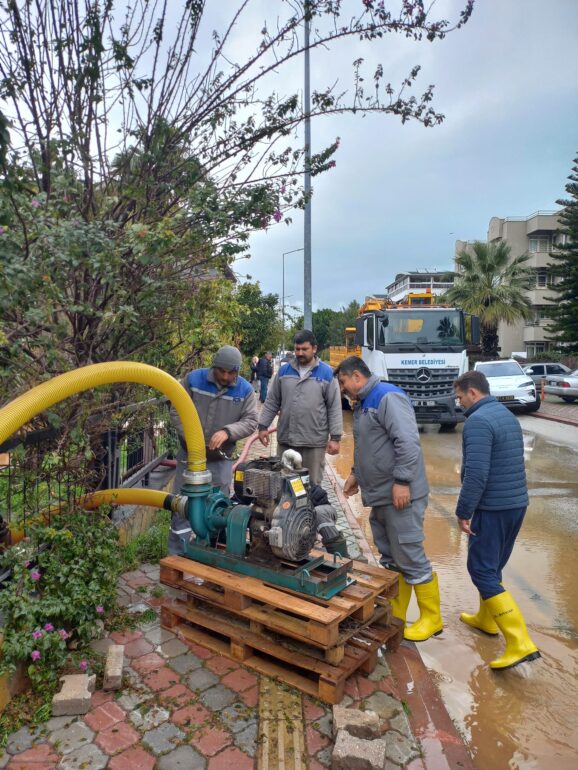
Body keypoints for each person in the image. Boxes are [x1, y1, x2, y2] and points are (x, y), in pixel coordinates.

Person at [334, 356, 441, 642]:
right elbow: (369, 445)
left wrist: (403, 481)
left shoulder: (387, 397)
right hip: (381, 494)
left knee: (410, 554)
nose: (342, 389)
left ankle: (432, 618)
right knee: (392, 557)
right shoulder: (363, 404)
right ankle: (397, 612)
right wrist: (356, 473)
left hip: (400, 494)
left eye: (343, 383)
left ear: (356, 376)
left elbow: (406, 441)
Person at [453, 370, 540, 669]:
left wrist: (463, 511)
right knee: (493, 567)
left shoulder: (477, 421)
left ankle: (520, 643)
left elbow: (477, 475)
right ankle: (486, 619)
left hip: (493, 508)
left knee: (481, 569)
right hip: (516, 504)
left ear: (473, 393)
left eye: (460, 396)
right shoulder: (504, 414)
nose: (459, 402)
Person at [170, 345, 258, 496]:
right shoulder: (193, 380)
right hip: (189, 457)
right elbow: (176, 409)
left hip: (220, 459)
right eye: (221, 371)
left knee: (217, 506)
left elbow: (250, 421)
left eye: (230, 373)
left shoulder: (245, 390)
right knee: (182, 503)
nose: (225, 377)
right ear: (214, 366)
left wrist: (228, 432)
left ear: (237, 371)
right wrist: (192, 438)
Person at [257, 330, 342, 486]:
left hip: (314, 442)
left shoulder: (327, 373)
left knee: (312, 485)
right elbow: (272, 401)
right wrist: (263, 426)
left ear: (314, 349)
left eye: (304, 349)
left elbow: (334, 407)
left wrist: (335, 438)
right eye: (297, 349)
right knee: (283, 484)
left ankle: (311, 511)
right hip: (286, 440)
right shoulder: (284, 371)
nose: (300, 353)